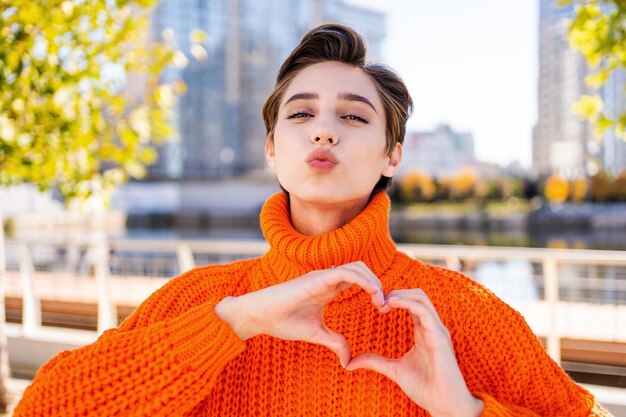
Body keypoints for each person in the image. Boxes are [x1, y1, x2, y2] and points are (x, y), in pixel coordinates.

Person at [15, 23, 611, 417]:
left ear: (391, 155)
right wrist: (236, 323)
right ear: (272, 148)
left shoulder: (458, 314)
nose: (324, 129)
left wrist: (467, 412)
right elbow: (41, 406)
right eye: (301, 114)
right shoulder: (201, 302)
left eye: (353, 117)